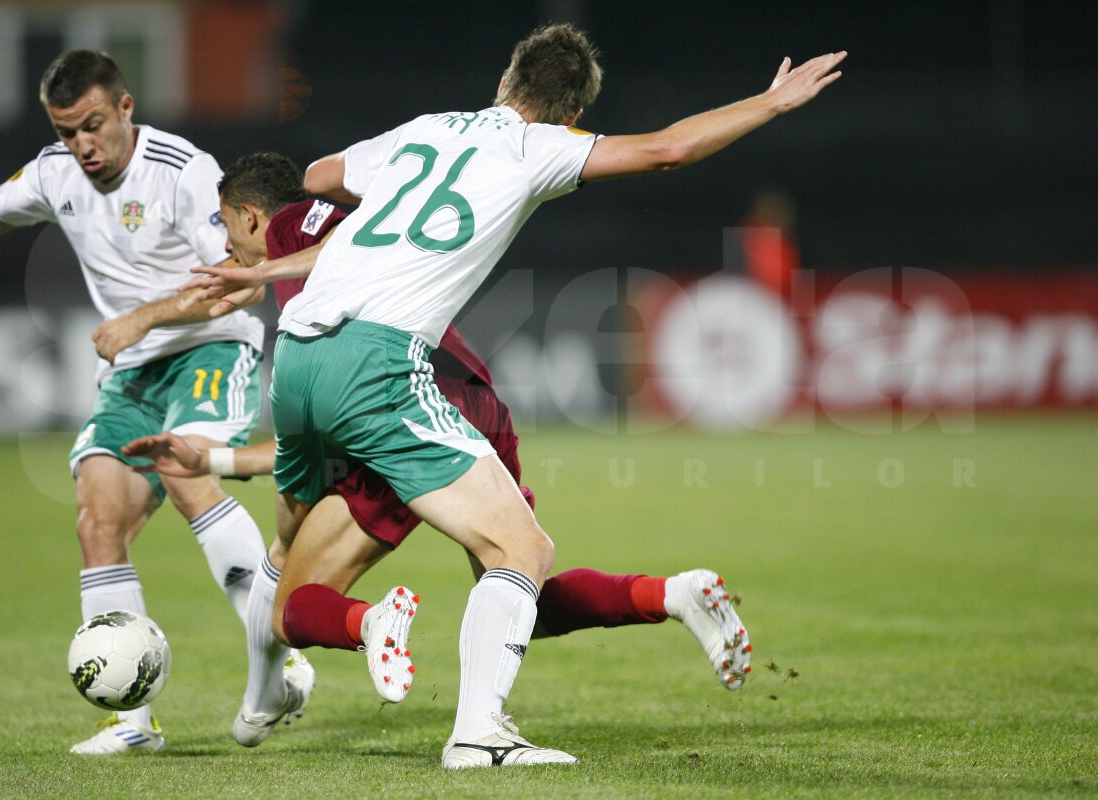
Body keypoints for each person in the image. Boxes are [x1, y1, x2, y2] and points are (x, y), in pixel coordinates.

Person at [191, 24, 844, 768]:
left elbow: (317, 175)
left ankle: (279, 689)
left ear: (505, 80)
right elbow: (669, 147)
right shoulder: (539, 147)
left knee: (314, 577)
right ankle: (478, 736)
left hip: (299, 359)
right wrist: (770, 102)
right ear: (571, 115)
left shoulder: (426, 130)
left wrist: (379, 201)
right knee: (520, 552)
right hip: (379, 363)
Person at [126, 151, 750, 749]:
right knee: (520, 593)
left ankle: (370, 634)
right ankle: (671, 594)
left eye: (225, 226)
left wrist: (212, 297)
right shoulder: (336, 281)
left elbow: (328, 246)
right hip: (471, 403)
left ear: (250, 216)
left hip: (395, 404)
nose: (224, 246)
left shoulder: (295, 225)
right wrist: (213, 460)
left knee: (288, 607)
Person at [0, 50, 313, 755]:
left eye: (93, 124)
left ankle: (278, 657)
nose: (82, 144)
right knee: (97, 520)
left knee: (186, 473)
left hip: (211, 349)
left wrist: (145, 317)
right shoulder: (52, 174)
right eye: (66, 132)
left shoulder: (182, 172)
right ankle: (133, 723)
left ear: (125, 107)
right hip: (132, 371)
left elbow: (243, 276)